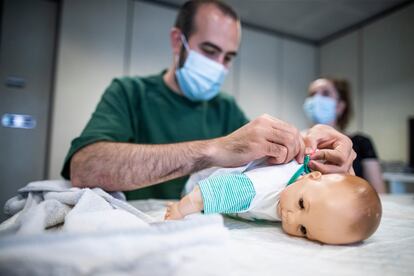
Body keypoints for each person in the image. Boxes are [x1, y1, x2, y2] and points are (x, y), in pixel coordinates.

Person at [61, 0, 355, 201]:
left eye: (228, 57)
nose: (220, 66)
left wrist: (312, 152)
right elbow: (85, 167)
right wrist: (215, 149)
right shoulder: (130, 93)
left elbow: (265, 170)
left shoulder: (224, 108)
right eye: (210, 51)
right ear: (178, 41)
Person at [164, 156, 382, 245]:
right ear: (312, 175)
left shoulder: (307, 192)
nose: (290, 217)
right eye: (302, 204)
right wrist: (180, 210)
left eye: (304, 229)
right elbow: (211, 193)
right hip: (200, 182)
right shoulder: (262, 187)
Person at [303, 77, 386, 193]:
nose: (316, 99)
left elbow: (378, 193)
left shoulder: (361, 142)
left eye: (325, 93)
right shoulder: (298, 142)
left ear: (340, 106)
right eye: (312, 94)